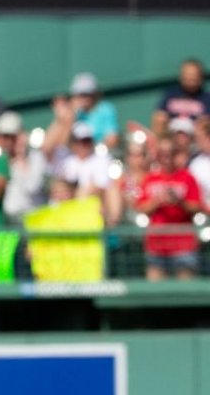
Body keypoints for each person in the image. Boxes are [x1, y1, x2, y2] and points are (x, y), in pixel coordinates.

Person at [136, 139, 202, 280]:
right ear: (157, 156)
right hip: (157, 244)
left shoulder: (187, 177)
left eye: (171, 153)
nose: (167, 158)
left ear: (176, 154)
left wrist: (179, 201)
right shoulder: (150, 179)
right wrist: (158, 200)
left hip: (183, 244)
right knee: (154, 293)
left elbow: (196, 207)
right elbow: (142, 208)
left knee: (186, 292)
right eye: (162, 154)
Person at [0, 112, 46, 223]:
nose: (7, 141)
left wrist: (21, 159)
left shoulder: (36, 157)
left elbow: (33, 187)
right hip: (9, 223)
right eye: (3, 137)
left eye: (11, 137)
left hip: (33, 220)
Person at [152, 58, 210, 138]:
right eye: (188, 75)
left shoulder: (206, 98)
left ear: (200, 78)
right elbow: (160, 115)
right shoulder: (171, 94)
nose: (191, 79)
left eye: (194, 76)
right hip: (172, 135)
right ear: (182, 76)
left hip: (194, 138)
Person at [70, 72, 120, 149]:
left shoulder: (106, 109)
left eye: (87, 94)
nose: (84, 99)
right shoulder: (72, 113)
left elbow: (112, 139)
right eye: (80, 95)